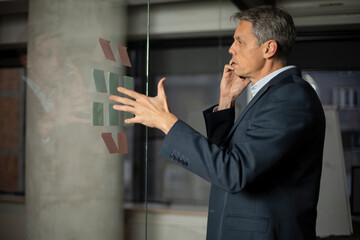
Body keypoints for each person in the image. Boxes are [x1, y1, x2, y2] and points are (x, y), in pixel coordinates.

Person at [110, 5, 325, 240]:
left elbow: (234, 173)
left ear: (269, 48)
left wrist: (166, 122)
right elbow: (226, 162)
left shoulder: (290, 96)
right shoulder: (272, 95)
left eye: (240, 42)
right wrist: (226, 102)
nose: (231, 49)